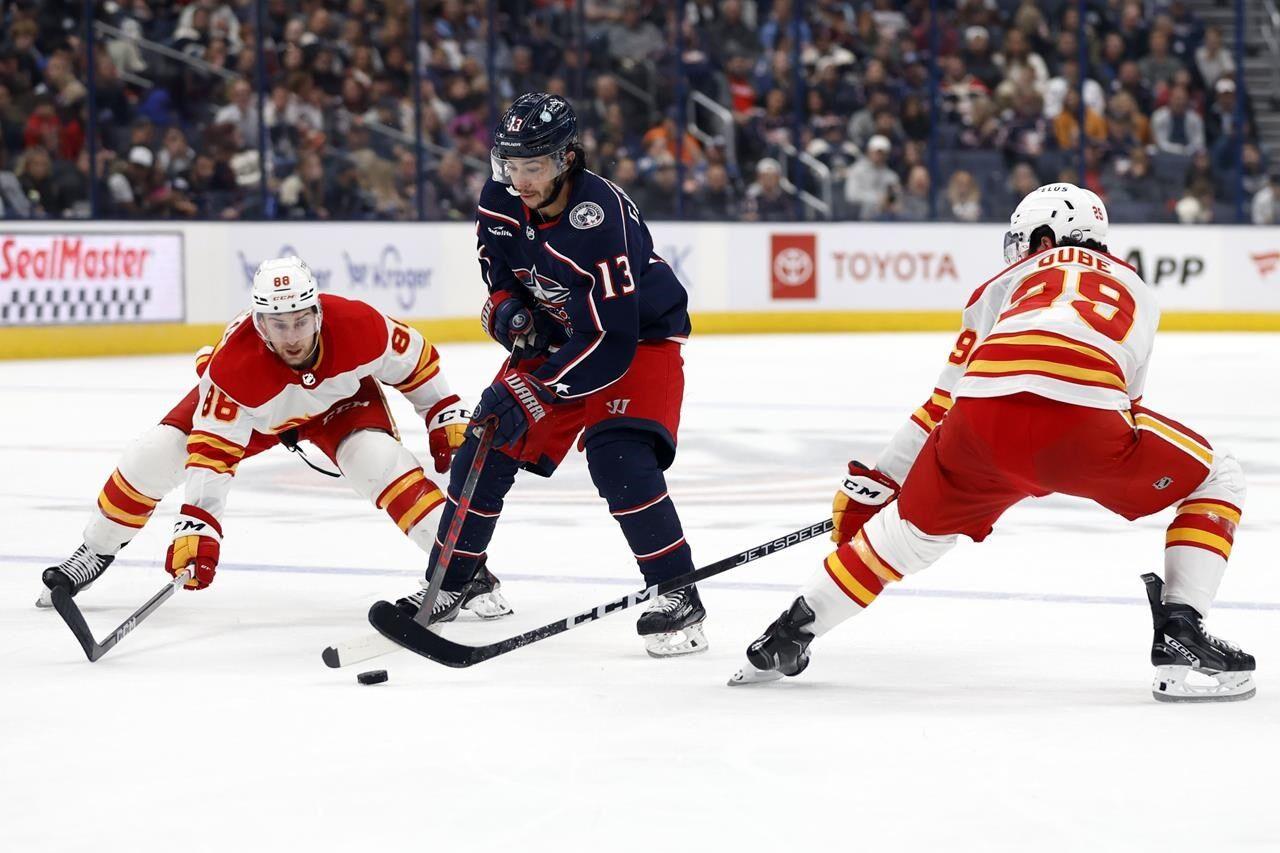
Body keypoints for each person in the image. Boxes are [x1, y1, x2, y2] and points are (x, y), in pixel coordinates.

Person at [731, 183, 1255, 703]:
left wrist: (882, 483)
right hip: (1084, 422)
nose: (1021, 249)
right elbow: (1128, 404)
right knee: (1219, 474)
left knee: (907, 535)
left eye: (1026, 238)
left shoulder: (1002, 283)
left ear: (1047, 236)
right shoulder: (1140, 290)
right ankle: (1180, 629)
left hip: (982, 421)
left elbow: (941, 402)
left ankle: (788, 634)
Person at [39, 256, 511, 624]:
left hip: (337, 405)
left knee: (380, 462)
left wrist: (442, 411)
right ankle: (98, 547)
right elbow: (212, 453)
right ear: (258, 323)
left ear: (319, 312)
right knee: (152, 456)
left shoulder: (358, 325)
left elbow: (416, 361)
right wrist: (198, 525)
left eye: (302, 321)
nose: (292, 337)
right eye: (278, 325)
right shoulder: (234, 368)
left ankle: (462, 572)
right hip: (258, 416)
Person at [396, 92, 703, 657]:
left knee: (618, 456)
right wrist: (509, 312)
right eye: (510, 163)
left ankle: (677, 592)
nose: (519, 178)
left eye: (533, 166)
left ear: (566, 159)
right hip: (564, 333)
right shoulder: (498, 197)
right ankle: (454, 579)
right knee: (489, 433)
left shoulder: (599, 217)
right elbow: (500, 278)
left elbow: (610, 339)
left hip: (637, 339)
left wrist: (538, 390)